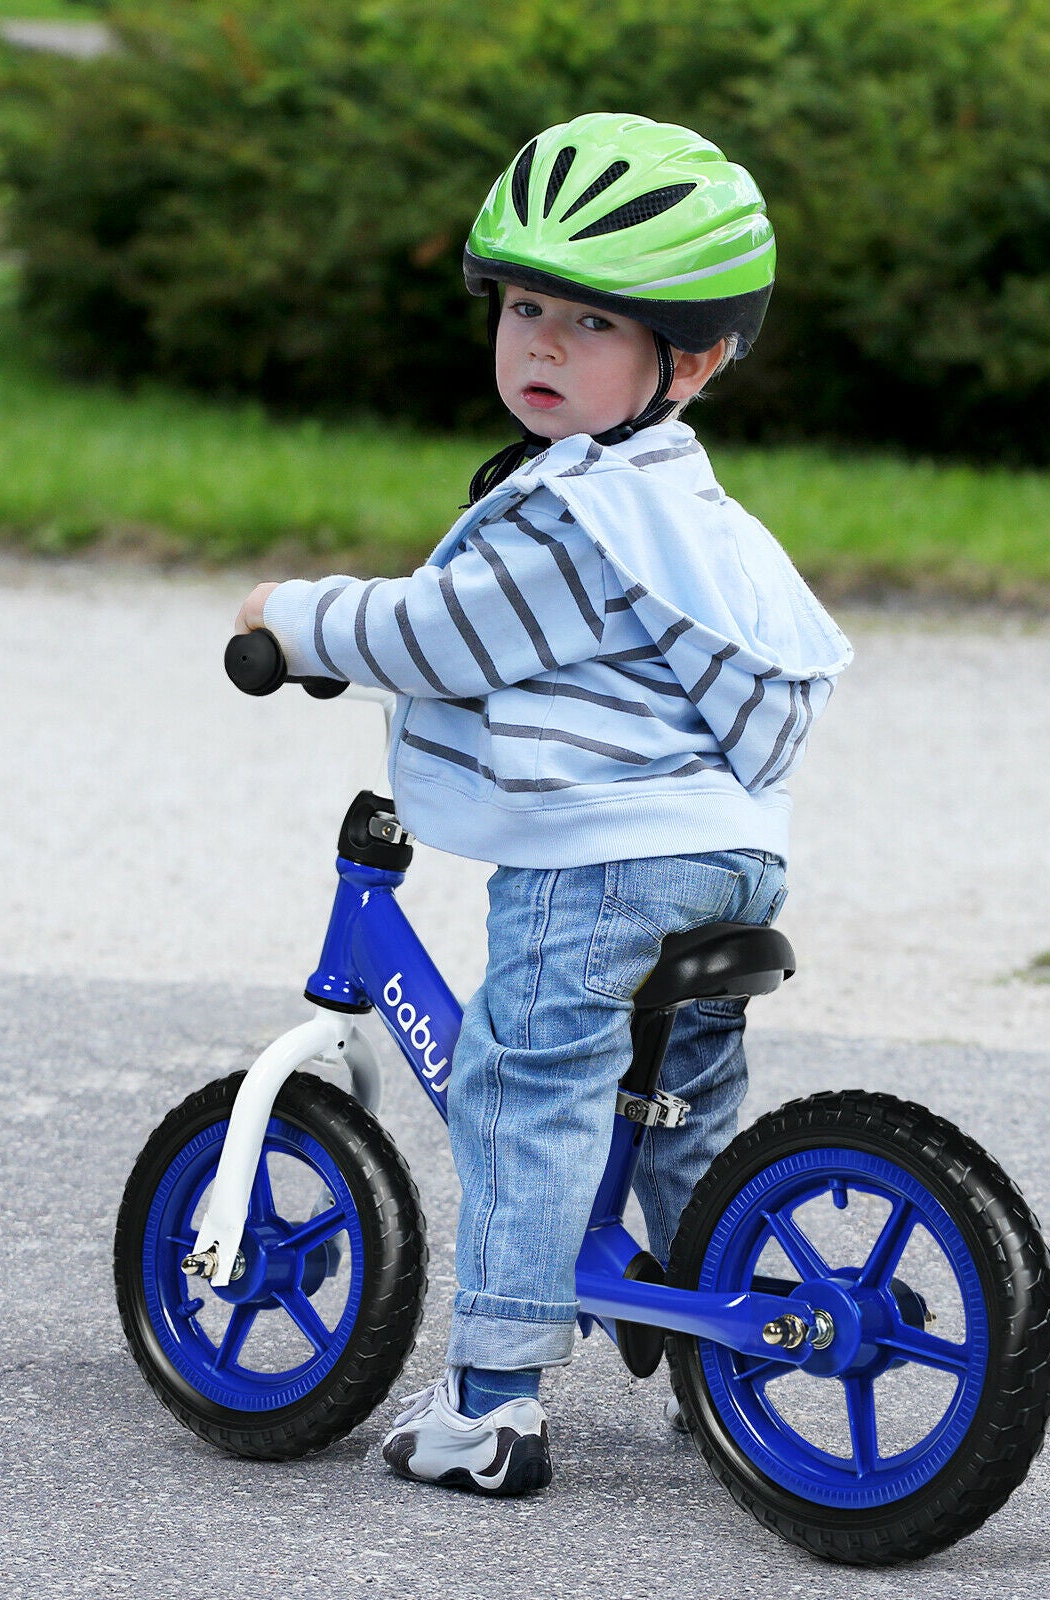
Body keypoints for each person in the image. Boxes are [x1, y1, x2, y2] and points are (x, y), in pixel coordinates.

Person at [235, 112, 852, 1497]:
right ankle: (723, 1366)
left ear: (690, 360)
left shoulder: (580, 517)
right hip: (728, 856)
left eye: (588, 324)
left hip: (607, 868)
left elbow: (445, 633)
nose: (539, 348)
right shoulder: (685, 505)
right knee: (680, 1113)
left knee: (524, 1088)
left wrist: (298, 618)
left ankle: (492, 1404)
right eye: (523, 309)